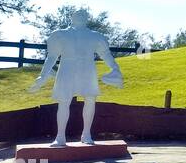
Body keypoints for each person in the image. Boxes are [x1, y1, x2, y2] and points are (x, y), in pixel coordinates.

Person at [27, 9, 124, 145]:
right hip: (67, 68)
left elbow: (106, 54)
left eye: (83, 15)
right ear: (71, 17)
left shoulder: (95, 36)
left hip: (87, 68)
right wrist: (42, 75)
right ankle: (60, 137)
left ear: (87, 18)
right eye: (77, 14)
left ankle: (86, 134)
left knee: (90, 99)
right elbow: (52, 57)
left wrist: (115, 68)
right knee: (64, 101)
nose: (80, 16)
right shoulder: (61, 34)